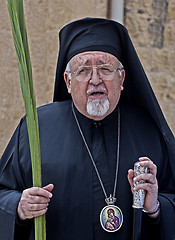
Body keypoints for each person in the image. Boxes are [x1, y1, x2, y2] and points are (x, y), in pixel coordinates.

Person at [0, 17, 175, 240]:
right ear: (68, 81)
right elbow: (3, 193)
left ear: (121, 78)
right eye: (83, 70)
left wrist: (156, 207)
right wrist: (19, 207)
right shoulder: (36, 127)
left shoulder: (148, 129)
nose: (95, 80)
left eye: (105, 68)